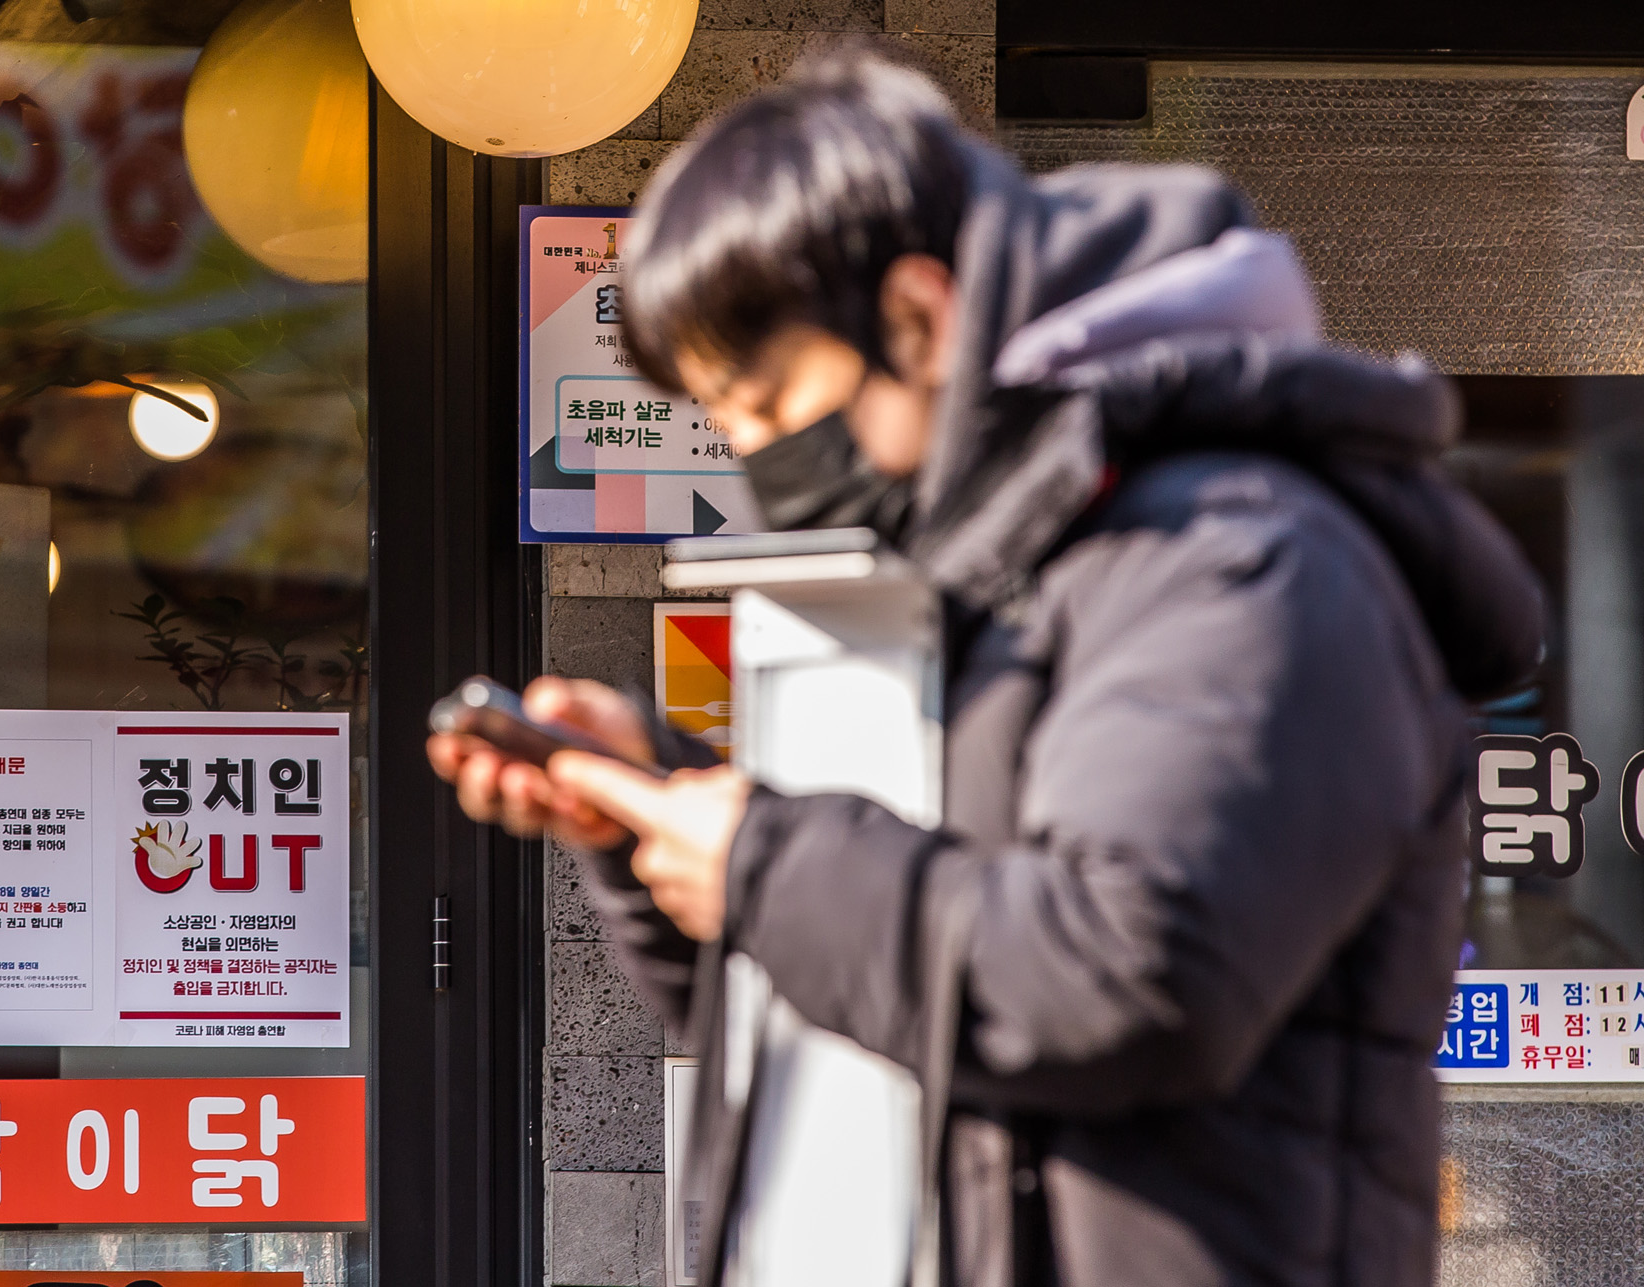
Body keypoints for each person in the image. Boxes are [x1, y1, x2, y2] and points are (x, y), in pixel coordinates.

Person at [428, 49, 1543, 1287]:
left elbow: (1126, 976)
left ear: (915, 315)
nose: (749, 454)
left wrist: (757, 861)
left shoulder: (1237, 558)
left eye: (761, 397)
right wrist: (652, 823)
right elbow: (863, 1014)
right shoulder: (1003, 575)